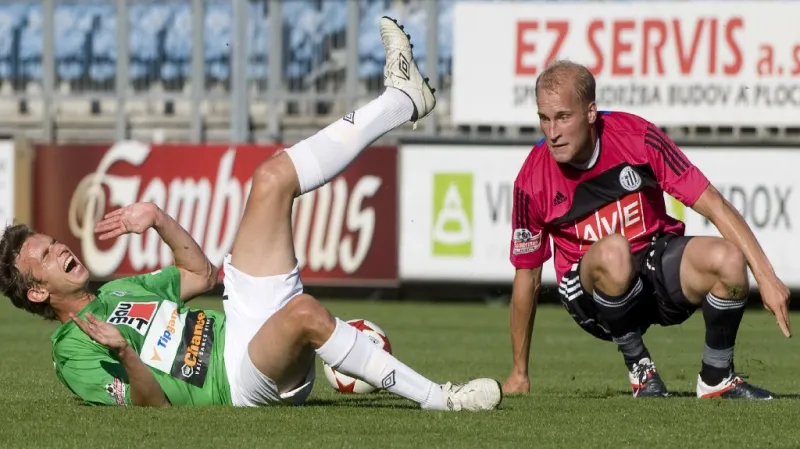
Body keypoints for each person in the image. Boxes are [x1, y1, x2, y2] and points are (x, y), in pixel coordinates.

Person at [0, 17, 502, 411]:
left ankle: (401, 98)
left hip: (238, 321)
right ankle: (442, 399)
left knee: (271, 178)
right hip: (237, 380)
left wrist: (158, 217)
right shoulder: (70, 350)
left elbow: (202, 275)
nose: (60, 248)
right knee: (305, 313)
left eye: (52, 242)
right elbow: (150, 406)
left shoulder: (117, 291)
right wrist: (124, 352)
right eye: (45, 255)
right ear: (37, 291)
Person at [501, 60, 789, 400]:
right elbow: (528, 276)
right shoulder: (531, 180)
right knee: (614, 250)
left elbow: (714, 203)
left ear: (591, 112)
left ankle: (717, 378)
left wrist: (766, 277)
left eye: (563, 117)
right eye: (544, 118)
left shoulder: (637, 138)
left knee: (729, 259)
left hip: (652, 268)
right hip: (591, 296)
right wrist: (519, 372)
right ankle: (641, 370)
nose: (552, 132)